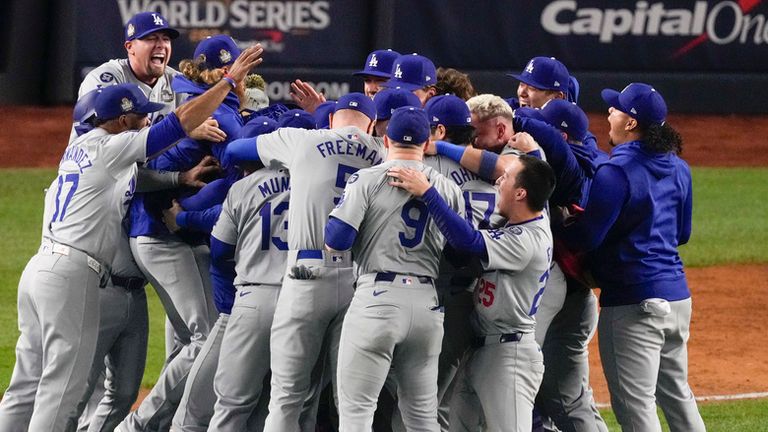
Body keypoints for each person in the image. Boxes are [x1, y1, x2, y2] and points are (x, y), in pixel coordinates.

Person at [0, 43, 263, 432]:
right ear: (121, 121)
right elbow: (175, 127)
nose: (146, 122)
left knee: (26, 384)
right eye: (140, 117)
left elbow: (133, 178)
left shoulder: (79, 150)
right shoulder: (112, 147)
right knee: (63, 389)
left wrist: (178, 179)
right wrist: (227, 82)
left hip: (40, 269)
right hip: (73, 273)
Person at [224, 93, 384, 432]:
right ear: (371, 125)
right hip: (360, 282)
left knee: (287, 396)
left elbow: (235, 151)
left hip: (307, 276)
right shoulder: (383, 153)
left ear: (330, 120)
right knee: (351, 402)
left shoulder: (303, 140)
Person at [120, 34, 253, 431]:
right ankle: (141, 425)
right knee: (205, 338)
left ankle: (162, 423)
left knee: (188, 341)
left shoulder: (187, 94)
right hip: (160, 234)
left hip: (172, 237)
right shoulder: (209, 108)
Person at [562, 83, 705, 432]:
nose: (608, 112)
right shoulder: (679, 168)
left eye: (616, 109)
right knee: (677, 396)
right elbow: (681, 235)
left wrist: (556, 224)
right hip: (677, 298)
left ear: (630, 124)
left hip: (633, 303)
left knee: (635, 407)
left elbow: (587, 237)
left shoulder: (615, 172)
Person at [388, 153, 555, 432]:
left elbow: (469, 241)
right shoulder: (518, 225)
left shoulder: (527, 239)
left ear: (521, 193)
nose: (499, 181)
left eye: (506, 178)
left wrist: (429, 194)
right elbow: (463, 253)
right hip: (483, 351)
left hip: (509, 355)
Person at [325, 106, 464, 430]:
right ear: (428, 141)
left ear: (385, 138)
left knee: (356, 414)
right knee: (420, 418)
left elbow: (339, 240)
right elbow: (460, 256)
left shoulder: (368, 178)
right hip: (427, 307)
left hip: (377, 299)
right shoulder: (446, 189)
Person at [77, 11, 224, 142]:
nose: (161, 45)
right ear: (130, 47)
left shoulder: (177, 82)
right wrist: (182, 130)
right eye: (151, 38)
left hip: (146, 169)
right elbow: (102, 143)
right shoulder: (104, 79)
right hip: (100, 168)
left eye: (165, 39)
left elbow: (206, 121)